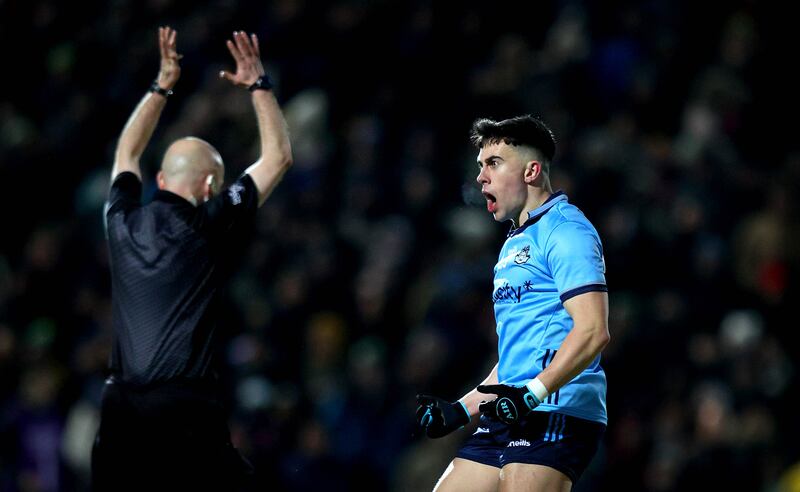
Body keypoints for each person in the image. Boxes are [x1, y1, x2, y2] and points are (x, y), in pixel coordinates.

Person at [91, 27, 292, 491]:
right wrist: (258, 84)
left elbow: (127, 151)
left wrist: (162, 84)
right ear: (209, 188)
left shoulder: (120, 220)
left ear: (160, 178)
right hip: (183, 407)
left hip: (119, 405)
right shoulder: (209, 222)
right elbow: (278, 157)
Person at [416, 115, 609, 491]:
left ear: (532, 171)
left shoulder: (567, 230)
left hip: (557, 409)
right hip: (513, 410)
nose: (480, 177)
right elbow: (517, 359)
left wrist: (532, 393)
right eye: (480, 166)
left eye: (494, 163)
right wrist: (460, 410)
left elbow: (593, 331)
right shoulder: (512, 244)